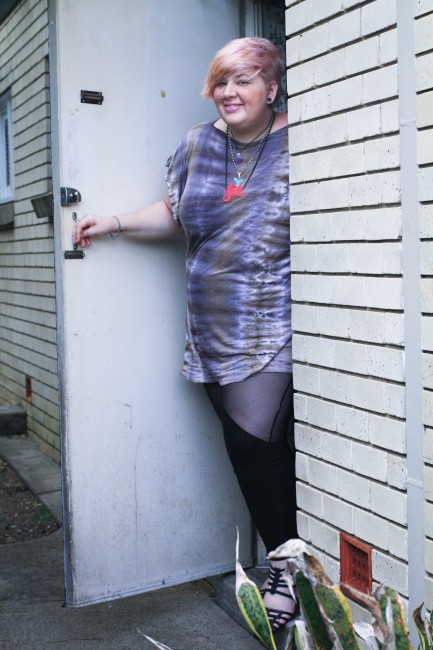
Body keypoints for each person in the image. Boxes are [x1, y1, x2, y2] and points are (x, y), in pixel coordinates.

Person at [73, 37, 297, 632]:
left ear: (271, 87)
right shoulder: (198, 143)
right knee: (250, 449)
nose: (229, 92)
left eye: (243, 80)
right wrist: (114, 222)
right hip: (209, 323)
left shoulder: (301, 140)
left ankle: (287, 568)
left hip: (274, 321)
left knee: (254, 445)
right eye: (221, 81)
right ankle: (290, 551)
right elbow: (174, 212)